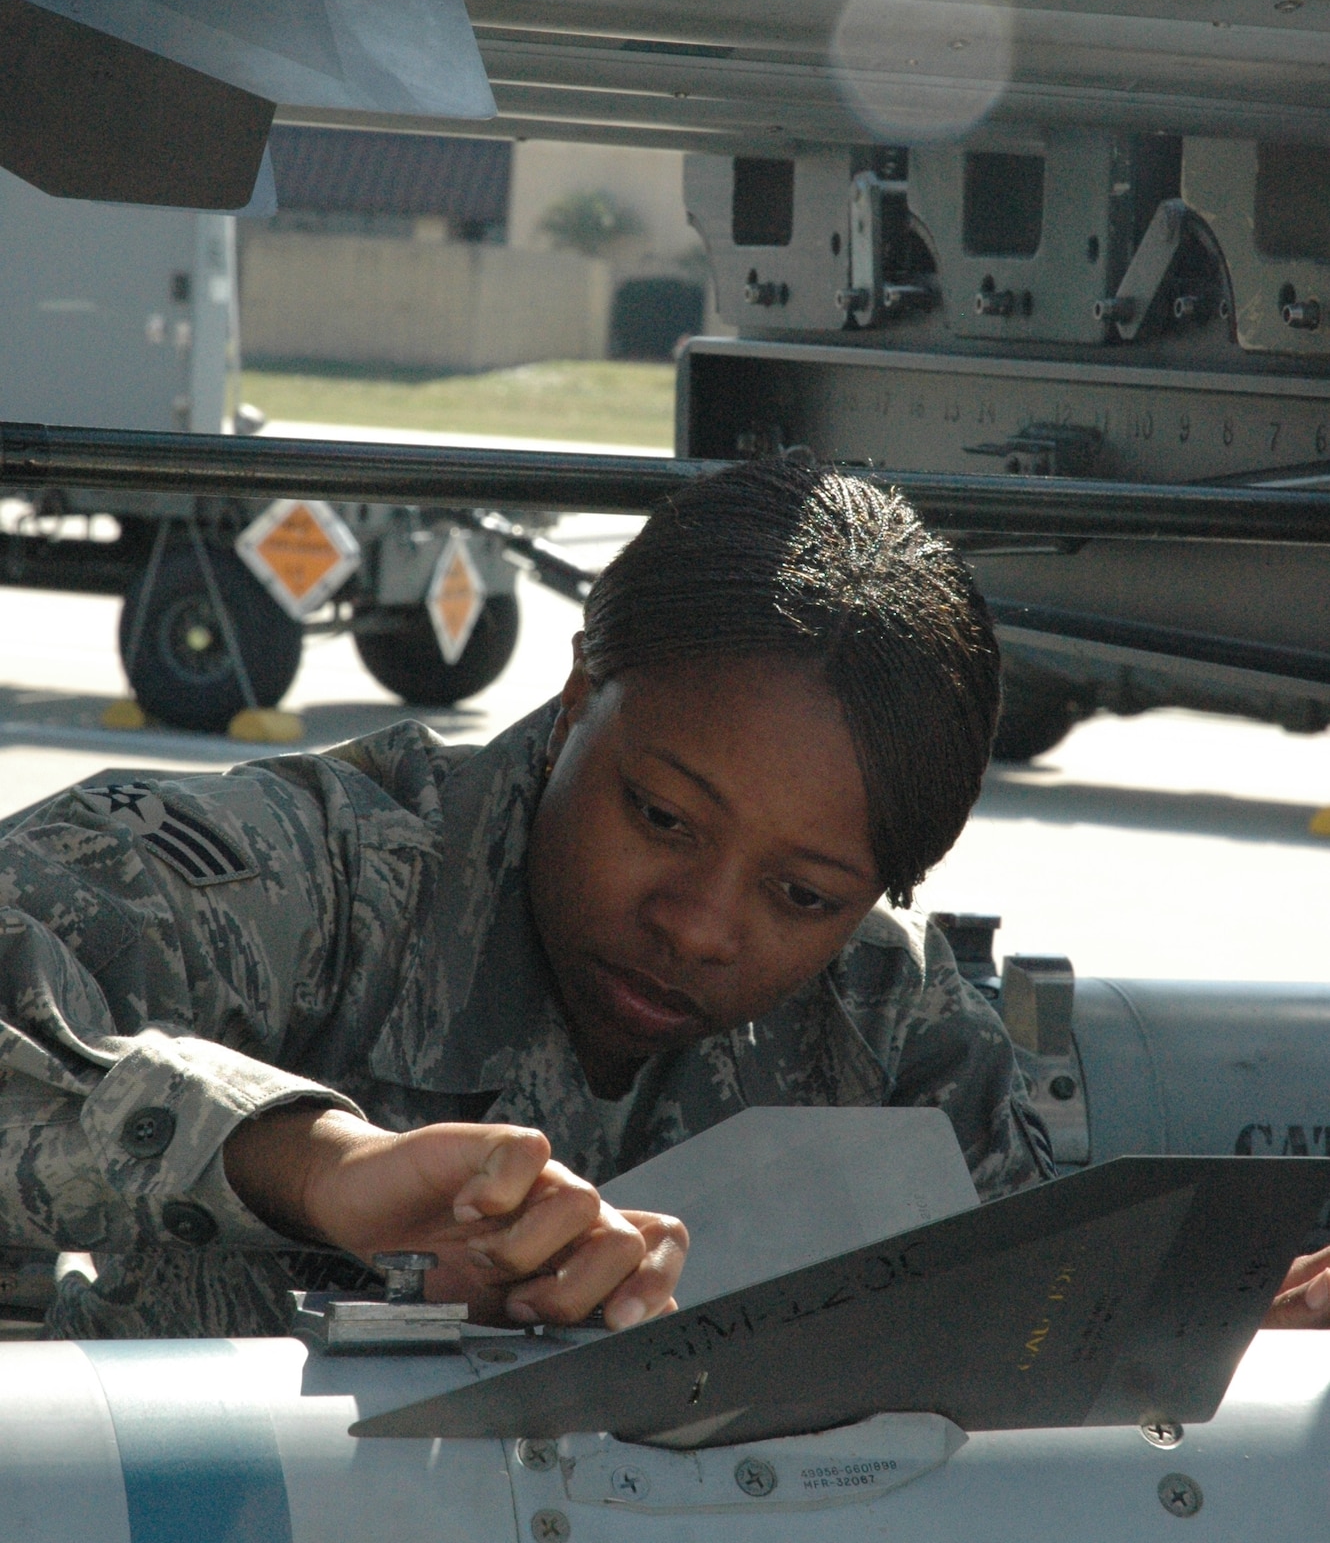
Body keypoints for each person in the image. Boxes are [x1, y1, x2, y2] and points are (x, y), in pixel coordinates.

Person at [0, 458, 1323, 1339]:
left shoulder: (885, 1026)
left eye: (801, 894)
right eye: (659, 817)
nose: (700, 923)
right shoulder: (304, 880)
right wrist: (312, 1168)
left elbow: (990, 1328)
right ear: (579, 697)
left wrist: (1191, 1346)